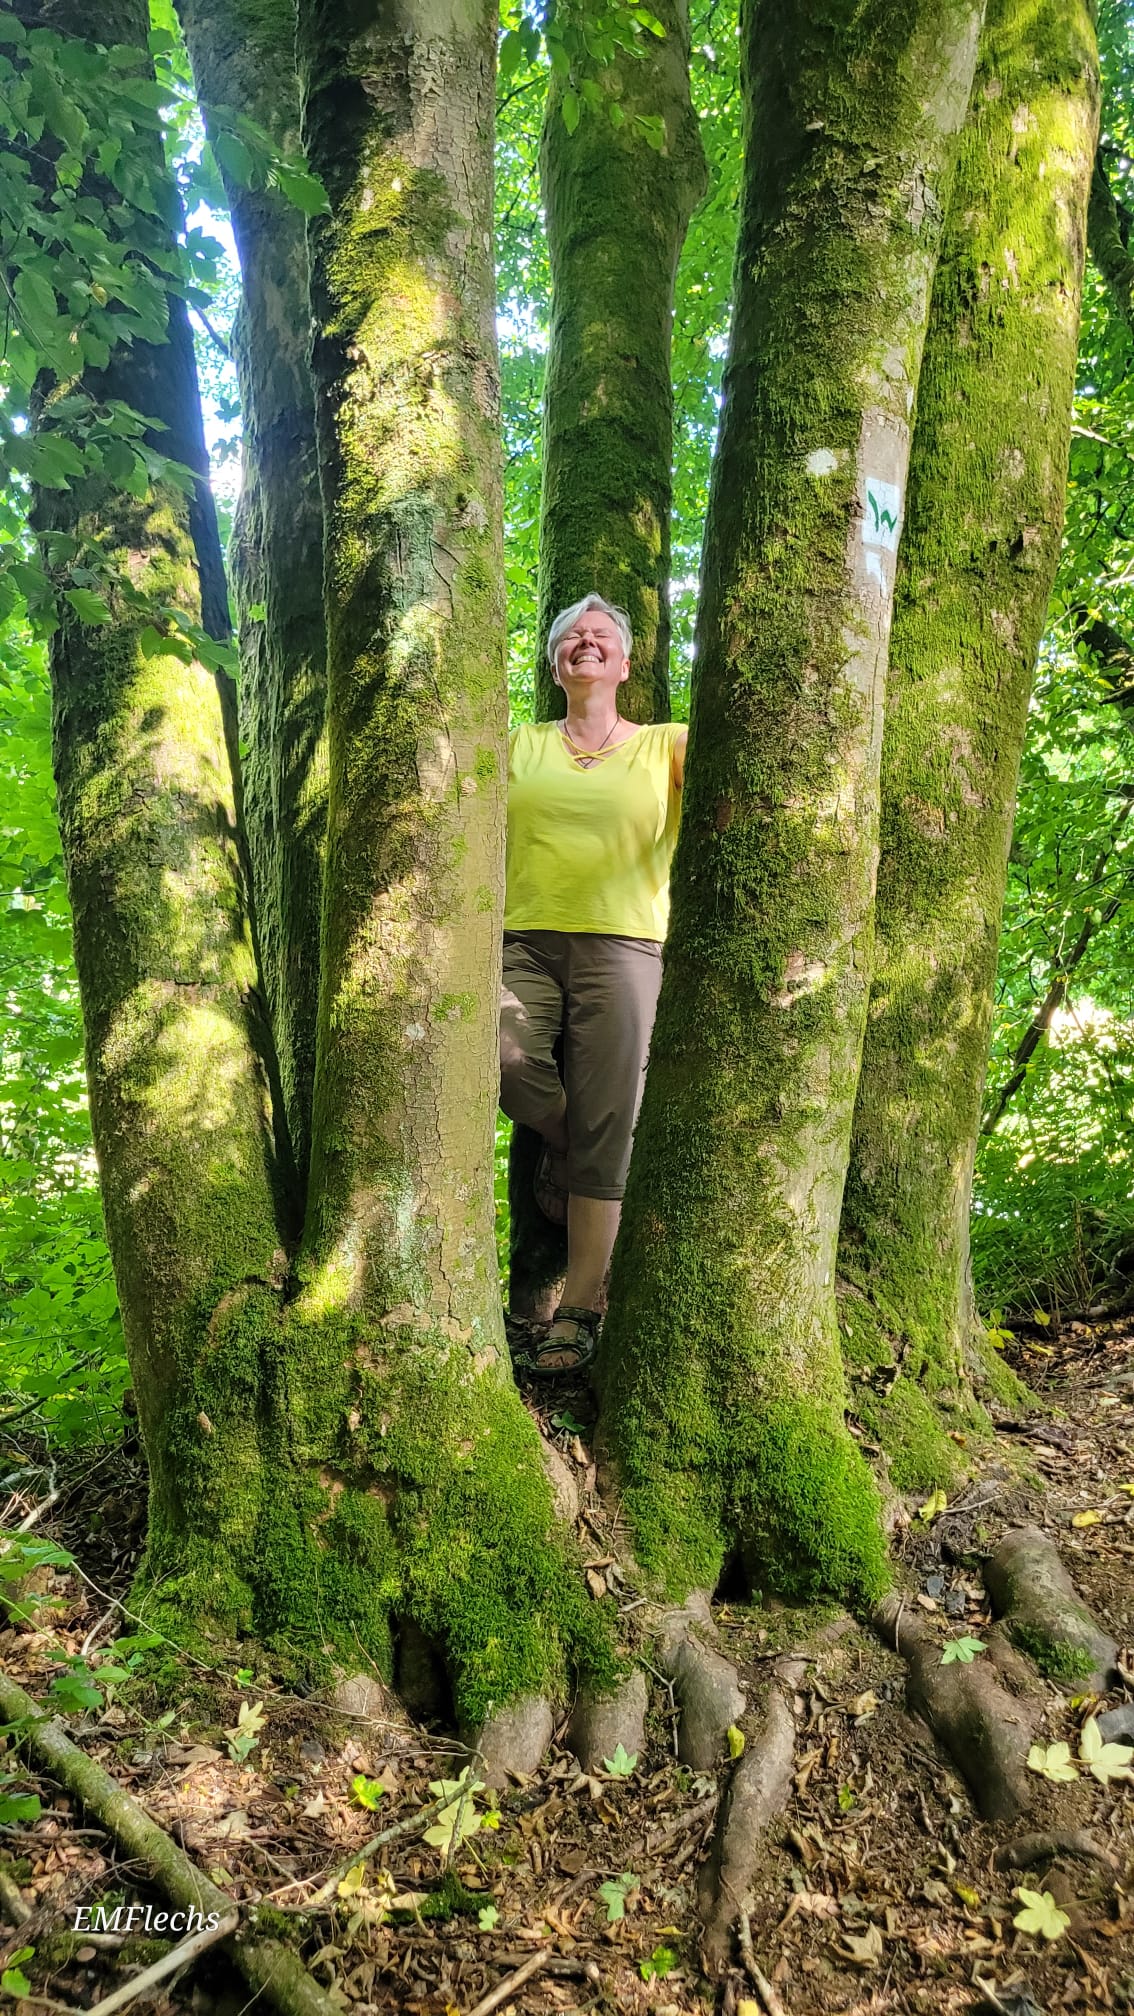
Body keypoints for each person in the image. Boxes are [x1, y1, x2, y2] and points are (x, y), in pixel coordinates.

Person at [500, 593, 688, 1375]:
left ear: (625, 662)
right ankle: (575, 1142)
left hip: (627, 949)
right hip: (522, 944)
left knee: (617, 1115)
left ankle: (576, 1311)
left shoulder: (666, 745)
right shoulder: (518, 744)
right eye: (571, 635)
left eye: (601, 634)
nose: (585, 641)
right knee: (498, 1056)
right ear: (553, 664)